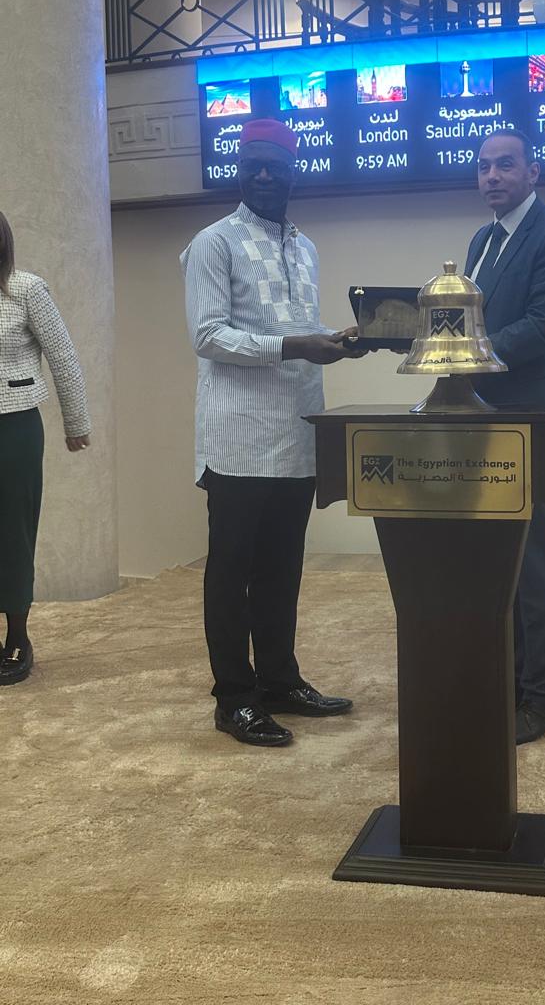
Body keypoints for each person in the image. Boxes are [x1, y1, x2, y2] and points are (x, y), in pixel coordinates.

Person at [181, 119, 366, 748]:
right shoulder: (213, 242)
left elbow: (295, 326)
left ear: (294, 171)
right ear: (239, 170)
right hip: (237, 438)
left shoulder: (305, 246)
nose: (264, 175)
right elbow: (208, 335)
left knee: (283, 568)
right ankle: (234, 698)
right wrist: (296, 345)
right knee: (231, 572)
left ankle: (280, 681)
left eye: (275, 165)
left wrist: (336, 340)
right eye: (252, 165)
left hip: (296, 434)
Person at [466, 130, 545, 744]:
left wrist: (467, 354)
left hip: (534, 421)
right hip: (483, 417)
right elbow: (468, 321)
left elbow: (544, 325)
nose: (491, 176)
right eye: (483, 166)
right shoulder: (481, 241)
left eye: (505, 165)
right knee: (496, 562)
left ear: (533, 172)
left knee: (533, 562)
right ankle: (508, 683)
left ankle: (542, 699)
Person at [0, 210, 91, 685]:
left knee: (12, 532)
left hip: (13, 427)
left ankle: (18, 636)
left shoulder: (26, 289)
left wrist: (76, 422)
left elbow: (63, 356)